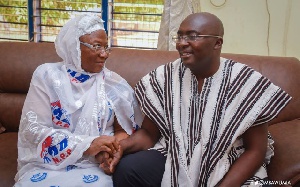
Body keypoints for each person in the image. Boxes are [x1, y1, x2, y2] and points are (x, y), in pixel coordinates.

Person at [103, 12, 292, 186]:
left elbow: (255, 151)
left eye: (192, 36)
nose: (182, 43)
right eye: (180, 36)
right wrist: (121, 147)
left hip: (227, 160)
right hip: (174, 155)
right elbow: (149, 134)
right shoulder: (165, 77)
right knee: (128, 169)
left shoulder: (246, 82)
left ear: (217, 43)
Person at [14, 14, 143, 187]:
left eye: (106, 47)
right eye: (97, 46)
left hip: (93, 165)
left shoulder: (113, 84)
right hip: (50, 163)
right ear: (74, 45)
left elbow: (124, 130)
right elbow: (33, 130)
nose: (104, 54)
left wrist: (111, 151)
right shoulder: (47, 76)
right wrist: (88, 144)